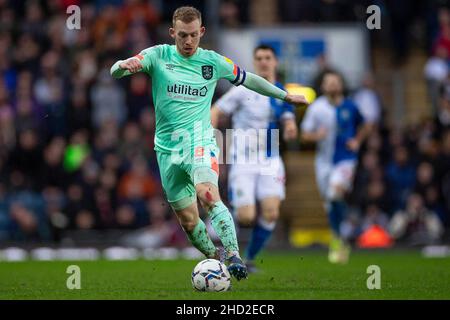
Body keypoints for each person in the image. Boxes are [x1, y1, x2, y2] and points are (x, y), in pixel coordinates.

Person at [110, 6, 307, 280]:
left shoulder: (213, 62)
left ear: (201, 32)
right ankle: (217, 262)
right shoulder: (158, 55)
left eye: (193, 35)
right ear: (172, 33)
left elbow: (249, 79)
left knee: (207, 193)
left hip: (199, 141)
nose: (188, 41)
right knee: (189, 222)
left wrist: (284, 96)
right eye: (182, 36)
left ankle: (234, 254)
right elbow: (115, 71)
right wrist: (122, 67)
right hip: (167, 149)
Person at [210, 44, 298, 272]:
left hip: (270, 160)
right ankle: (225, 250)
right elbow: (217, 110)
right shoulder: (243, 89)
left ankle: (247, 259)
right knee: (246, 216)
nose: (263, 61)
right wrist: (210, 134)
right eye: (259, 58)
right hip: (243, 162)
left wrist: (290, 128)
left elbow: (288, 118)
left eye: (267, 57)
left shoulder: (280, 91)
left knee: (271, 212)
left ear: (275, 62)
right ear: (254, 61)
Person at [301, 70, 370, 264]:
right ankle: (339, 236)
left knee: (335, 193)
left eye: (335, 81)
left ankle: (338, 237)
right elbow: (305, 134)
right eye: (328, 82)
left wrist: (357, 140)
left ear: (341, 85)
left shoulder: (350, 105)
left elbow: (365, 125)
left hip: (345, 159)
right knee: (330, 202)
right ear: (323, 86)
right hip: (323, 162)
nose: (332, 85)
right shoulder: (317, 108)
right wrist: (317, 136)